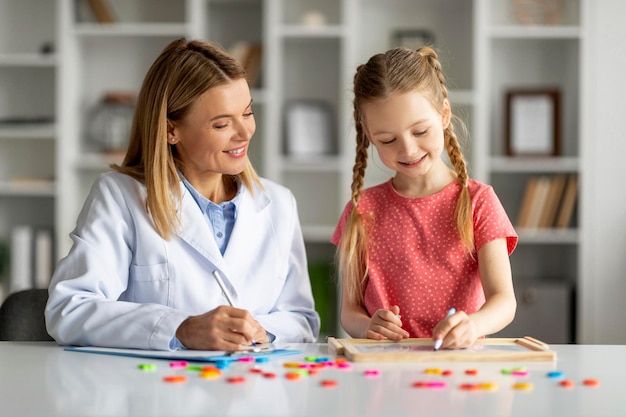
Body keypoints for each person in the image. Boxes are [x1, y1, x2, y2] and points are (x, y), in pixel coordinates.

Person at [45, 38, 320, 351]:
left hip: (251, 390)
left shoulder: (279, 203)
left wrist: (258, 331)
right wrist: (180, 328)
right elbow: (69, 310)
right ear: (170, 130)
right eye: (221, 124)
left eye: (247, 113)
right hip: (153, 392)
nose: (245, 132)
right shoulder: (120, 197)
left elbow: (301, 319)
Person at [331, 47, 517, 350]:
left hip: (459, 371)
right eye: (387, 140)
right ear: (368, 134)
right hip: (385, 372)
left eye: (420, 131)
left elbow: (504, 301)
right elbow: (350, 312)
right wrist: (368, 326)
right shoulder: (361, 209)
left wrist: (474, 325)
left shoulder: (478, 201)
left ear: (444, 115)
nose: (407, 150)